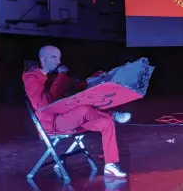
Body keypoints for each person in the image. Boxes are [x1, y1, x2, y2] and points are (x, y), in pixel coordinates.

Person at [22, 45, 130, 178]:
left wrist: (95, 79)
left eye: (59, 58)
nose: (58, 61)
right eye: (54, 57)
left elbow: (74, 89)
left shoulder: (55, 75)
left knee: (105, 122)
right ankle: (112, 115)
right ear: (43, 60)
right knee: (84, 109)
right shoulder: (31, 79)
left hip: (69, 118)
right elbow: (46, 105)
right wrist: (61, 78)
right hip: (52, 123)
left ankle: (110, 165)